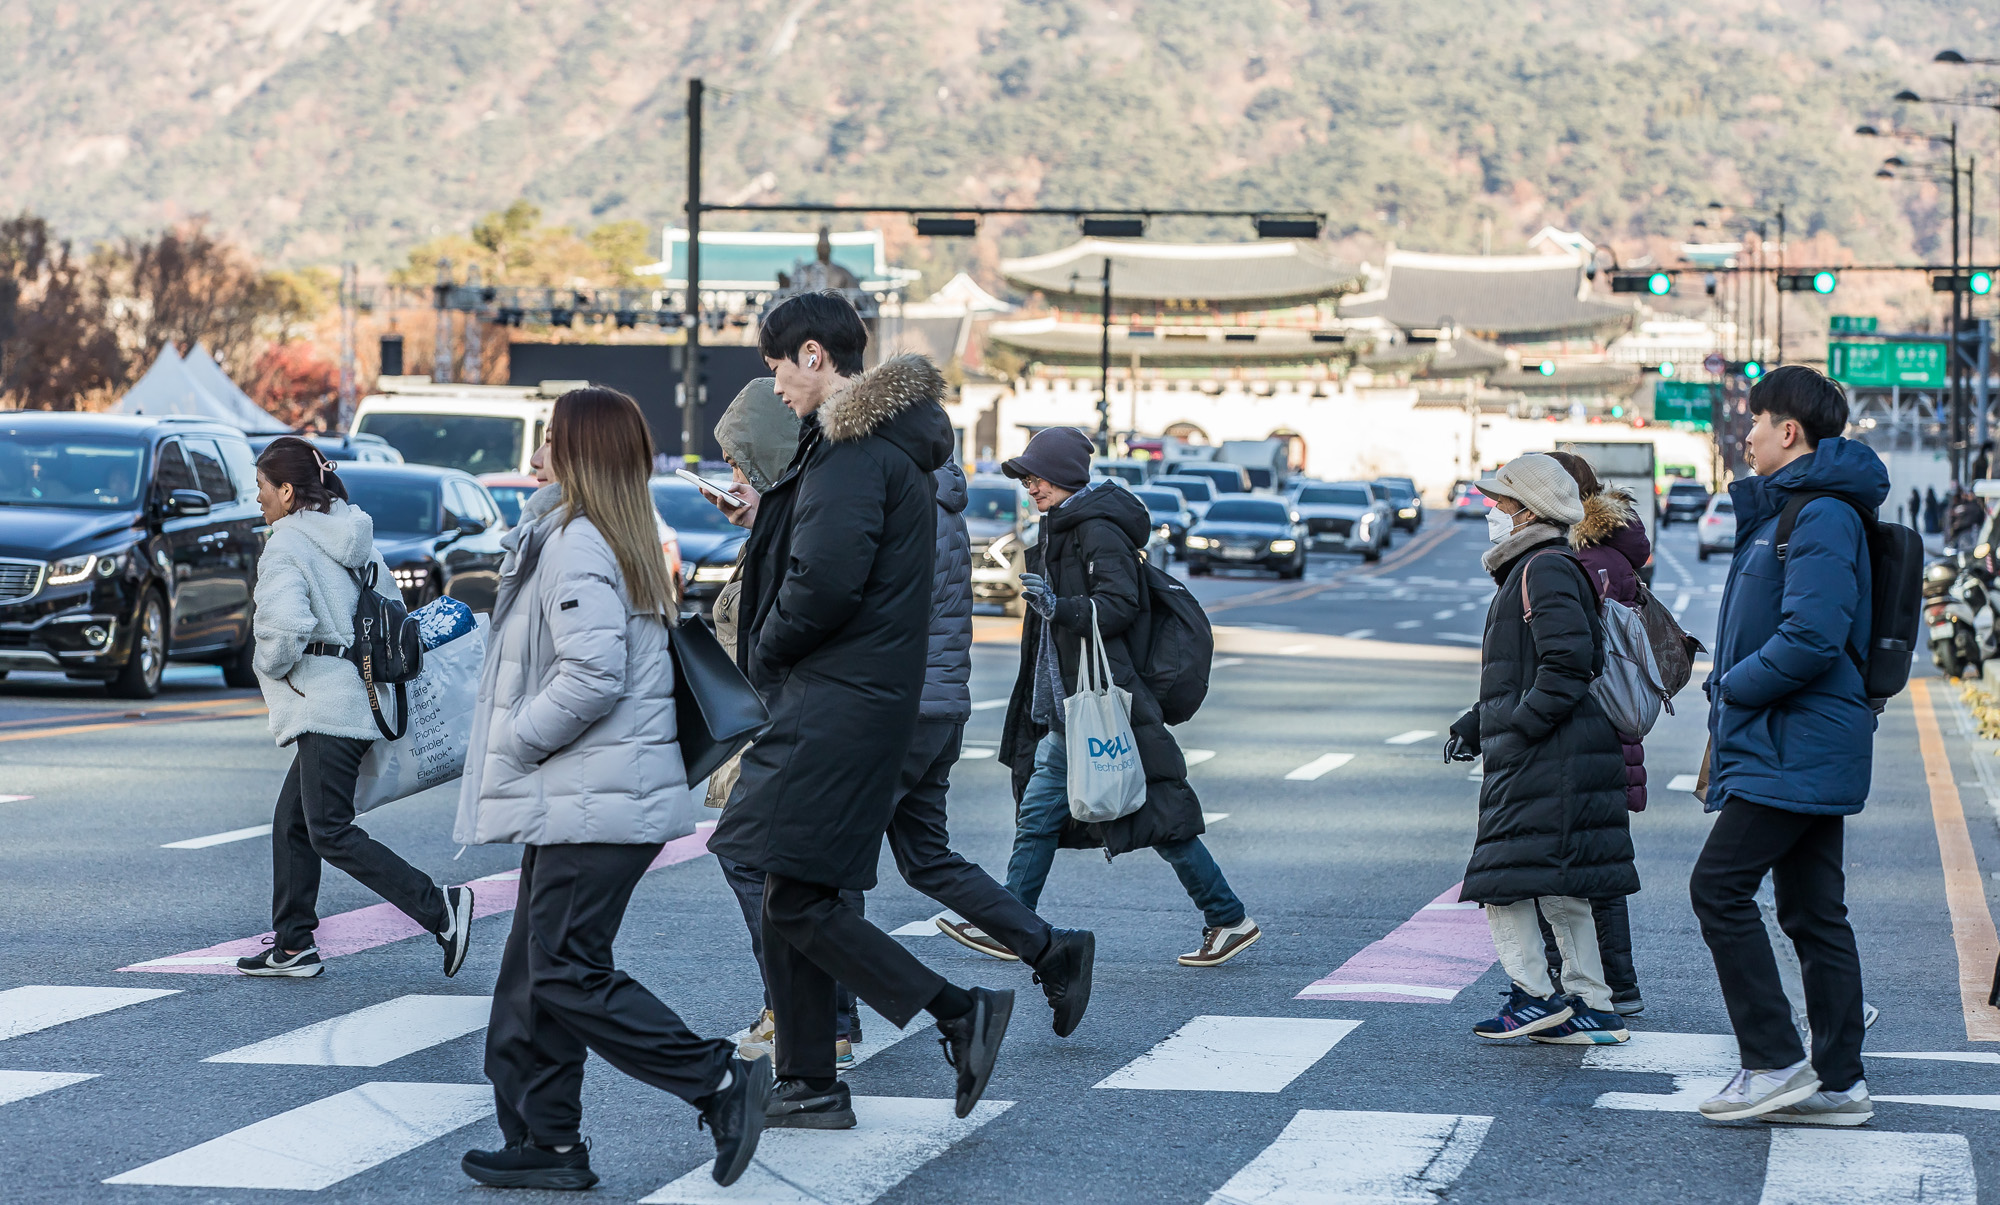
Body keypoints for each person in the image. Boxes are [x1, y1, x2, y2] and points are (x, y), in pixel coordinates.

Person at [708, 292, 1014, 1126]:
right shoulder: (884, 450)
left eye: (776, 365)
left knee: (774, 874)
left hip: (829, 700)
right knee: (794, 888)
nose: (774, 384)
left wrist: (762, 650)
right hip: (860, 698)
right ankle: (811, 1080)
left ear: (814, 355)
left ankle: (955, 1011)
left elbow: (824, 584)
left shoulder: (850, 453)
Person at [454, 388, 770, 1190]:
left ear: (579, 456)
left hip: (596, 793)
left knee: (562, 967)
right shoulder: (591, 535)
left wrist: (517, 739)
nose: (533, 458)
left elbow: (592, 675)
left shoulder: (577, 543)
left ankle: (718, 1080)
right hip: (588, 793)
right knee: (536, 972)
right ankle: (545, 1141)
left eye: (549, 443)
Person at [1689, 364, 1887, 1126]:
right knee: (1812, 910)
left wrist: (1733, 685)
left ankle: (1772, 1058)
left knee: (1719, 888)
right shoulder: (1795, 510)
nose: (1747, 433)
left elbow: (1811, 635)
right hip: (1798, 738)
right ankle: (1839, 1084)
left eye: (1756, 420)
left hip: (1794, 738)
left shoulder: (1820, 516)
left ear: (1790, 432)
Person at [997, 426, 1260, 967]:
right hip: (1073, 702)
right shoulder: (1060, 527)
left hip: (1106, 697)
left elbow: (1118, 606)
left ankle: (1228, 917)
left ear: (1067, 476)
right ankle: (1011, 922)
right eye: (1026, 478)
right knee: (1040, 815)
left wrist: (1059, 607)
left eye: (1037, 476)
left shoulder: (1097, 529)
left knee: (1160, 817)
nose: (1031, 486)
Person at [237, 436, 471, 980]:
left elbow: (285, 630)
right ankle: (293, 944)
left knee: (329, 830)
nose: (258, 500)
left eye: (262, 489)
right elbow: (391, 605)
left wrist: (268, 663)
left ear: (287, 490)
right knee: (293, 821)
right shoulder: (353, 533)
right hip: (363, 698)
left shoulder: (287, 544)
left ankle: (439, 908)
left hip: (327, 706)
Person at [700, 379, 870, 1071]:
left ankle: (819, 1015)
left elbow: (791, 624)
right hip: (781, 719)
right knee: (792, 870)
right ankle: (818, 1010)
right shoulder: (786, 518)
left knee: (762, 862)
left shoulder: (809, 518)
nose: (733, 479)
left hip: (792, 721)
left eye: (742, 465)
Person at [1446, 453, 1634, 1045]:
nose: (1491, 511)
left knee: (1500, 880)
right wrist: (1478, 723)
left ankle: (1534, 995)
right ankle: (1592, 1004)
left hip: (1546, 754)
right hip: (1559, 751)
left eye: (1499, 502)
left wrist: (1518, 728)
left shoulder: (1543, 569)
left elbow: (1569, 664)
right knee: (1560, 884)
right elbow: (1529, 669)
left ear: (1527, 509)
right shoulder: (1542, 565)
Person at [1540, 451, 1648, 1017]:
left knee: (1564, 858)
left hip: (1581, 725)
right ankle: (1617, 983)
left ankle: (1579, 982)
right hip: (1612, 722)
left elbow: (1564, 659)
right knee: (1596, 857)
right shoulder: (1613, 556)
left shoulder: (1571, 561)